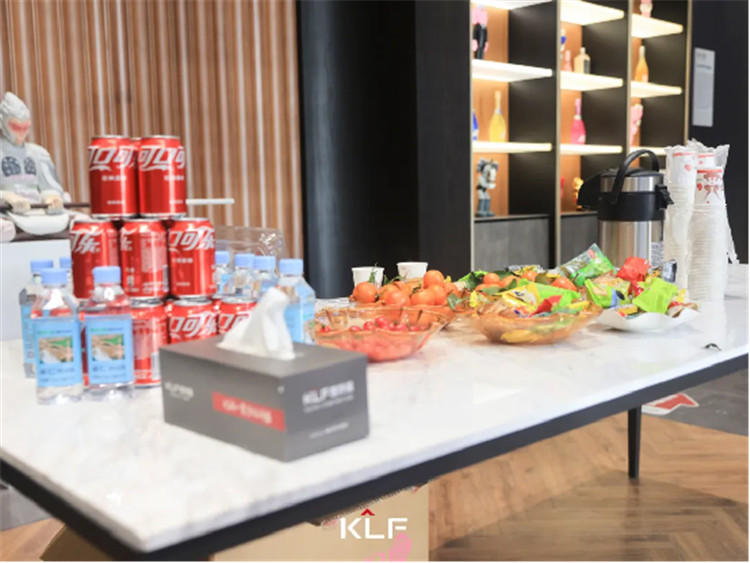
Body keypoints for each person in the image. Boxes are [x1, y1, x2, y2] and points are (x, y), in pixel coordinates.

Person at [0, 91, 71, 242]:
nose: (21, 133)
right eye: (15, 127)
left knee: (77, 223)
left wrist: (51, 196)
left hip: (39, 211)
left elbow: (51, 186)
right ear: (2, 122)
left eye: (25, 127)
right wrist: (6, 197)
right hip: (6, 214)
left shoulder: (38, 153)